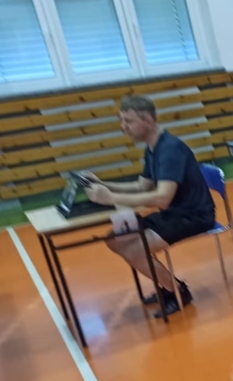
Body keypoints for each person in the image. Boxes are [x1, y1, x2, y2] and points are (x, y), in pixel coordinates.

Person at [85, 95, 216, 318]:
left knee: (135, 249)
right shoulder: (152, 148)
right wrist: (103, 184)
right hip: (172, 214)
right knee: (115, 239)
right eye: (122, 121)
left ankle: (177, 291)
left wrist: (111, 198)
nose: (123, 127)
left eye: (128, 121)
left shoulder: (170, 149)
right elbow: (141, 186)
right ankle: (167, 284)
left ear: (147, 120)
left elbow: (162, 198)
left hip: (193, 216)